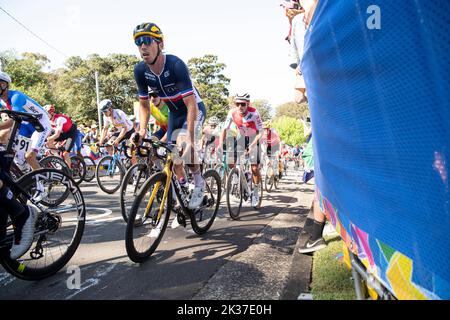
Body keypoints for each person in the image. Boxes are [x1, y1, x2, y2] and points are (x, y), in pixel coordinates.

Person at [132, 21, 207, 210]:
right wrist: (141, 131)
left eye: (148, 41)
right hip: (174, 114)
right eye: (138, 42)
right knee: (172, 157)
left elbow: (191, 105)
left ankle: (199, 183)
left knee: (183, 144)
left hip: (193, 109)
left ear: (160, 44)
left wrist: (189, 138)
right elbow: (144, 106)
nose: (143, 46)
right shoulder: (140, 70)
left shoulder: (175, 64)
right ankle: (183, 188)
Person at [219, 93, 263, 208]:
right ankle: (236, 176)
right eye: (237, 104)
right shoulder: (232, 113)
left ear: (247, 104)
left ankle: (256, 191)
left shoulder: (254, 113)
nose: (240, 106)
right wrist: (219, 145)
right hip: (241, 137)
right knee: (230, 161)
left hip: (254, 138)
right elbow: (225, 129)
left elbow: (261, 132)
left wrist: (252, 146)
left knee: (254, 168)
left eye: (243, 104)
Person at [0, 71, 52, 170]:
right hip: (25, 124)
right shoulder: (1, 100)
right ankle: (21, 170)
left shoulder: (16, 97)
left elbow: (12, 122)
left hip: (40, 125)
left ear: (3, 85)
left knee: (30, 157)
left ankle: (39, 183)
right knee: (4, 137)